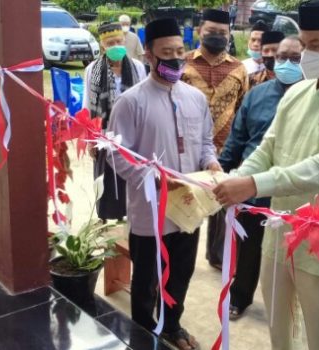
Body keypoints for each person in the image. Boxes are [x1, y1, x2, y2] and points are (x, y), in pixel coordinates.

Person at [213, 1, 319, 349]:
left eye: (315, 45)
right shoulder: (296, 93)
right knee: (279, 324)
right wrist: (237, 180)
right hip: (279, 229)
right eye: (303, 43)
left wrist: (252, 184)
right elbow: (268, 148)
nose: (306, 54)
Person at [106, 18, 221, 350]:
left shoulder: (195, 98)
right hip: (150, 210)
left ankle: (171, 325)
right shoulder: (131, 101)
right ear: (149, 56)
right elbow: (116, 154)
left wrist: (210, 162)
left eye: (179, 51)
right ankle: (142, 333)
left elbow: (205, 143)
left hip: (189, 205)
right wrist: (153, 180)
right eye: (166, 53)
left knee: (181, 272)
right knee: (146, 278)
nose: (175, 58)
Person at [218, 32, 299, 321]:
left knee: (290, 253)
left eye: (295, 58)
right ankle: (240, 298)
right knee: (250, 248)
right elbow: (236, 141)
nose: (287, 63)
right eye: (282, 58)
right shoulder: (257, 95)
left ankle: (288, 307)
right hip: (253, 189)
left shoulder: (314, 99)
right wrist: (220, 173)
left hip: (293, 192)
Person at [182, 8, 248, 269]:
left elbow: (242, 107)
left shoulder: (239, 68)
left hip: (226, 149)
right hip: (187, 145)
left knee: (223, 203)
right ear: (200, 31)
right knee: (186, 200)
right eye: (211, 32)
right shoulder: (184, 63)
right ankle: (179, 254)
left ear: (230, 35)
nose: (217, 36)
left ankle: (217, 256)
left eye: (223, 33)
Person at [82, 23, 147, 223]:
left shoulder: (137, 67)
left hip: (131, 129)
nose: (116, 45)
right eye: (110, 43)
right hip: (104, 130)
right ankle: (104, 216)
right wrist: (90, 138)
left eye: (119, 41)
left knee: (128, 171)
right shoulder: (93, 69)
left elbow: (144, 99)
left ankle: (126, 213)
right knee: (105, 173)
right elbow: (88, 103)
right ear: (102, 46)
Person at [242, 20, 271, 86]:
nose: (256, 44)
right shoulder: (241, 67)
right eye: (253, 40)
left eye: (260, 41)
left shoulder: (273, 69)